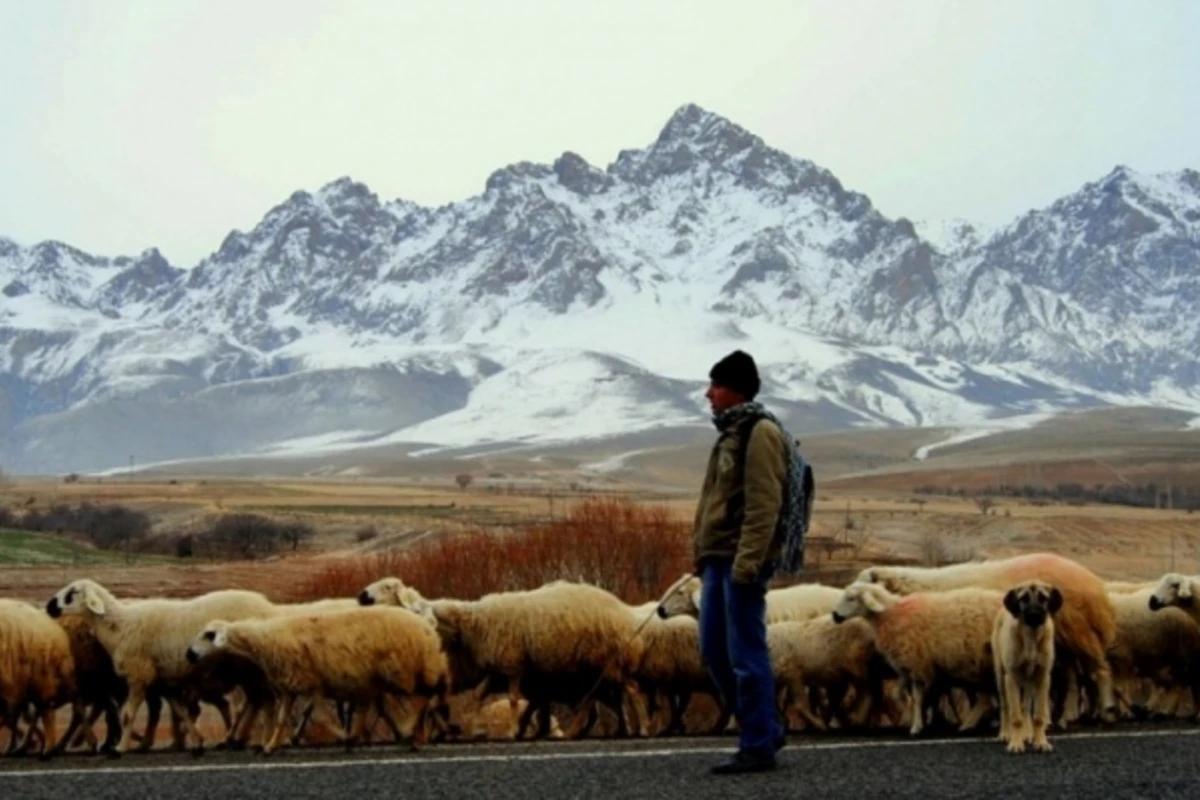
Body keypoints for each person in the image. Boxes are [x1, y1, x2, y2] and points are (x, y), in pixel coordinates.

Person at [693, 349, 788, 774]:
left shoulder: (759, 433)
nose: (708, 393)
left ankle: (757, 745)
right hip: (717, 559)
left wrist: (748, 563)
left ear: (735, 389)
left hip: (740, 562)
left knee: (744, 653)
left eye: (715, 385)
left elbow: (764, 504)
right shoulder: (730, 432)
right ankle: (765, 726)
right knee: (713, 650)